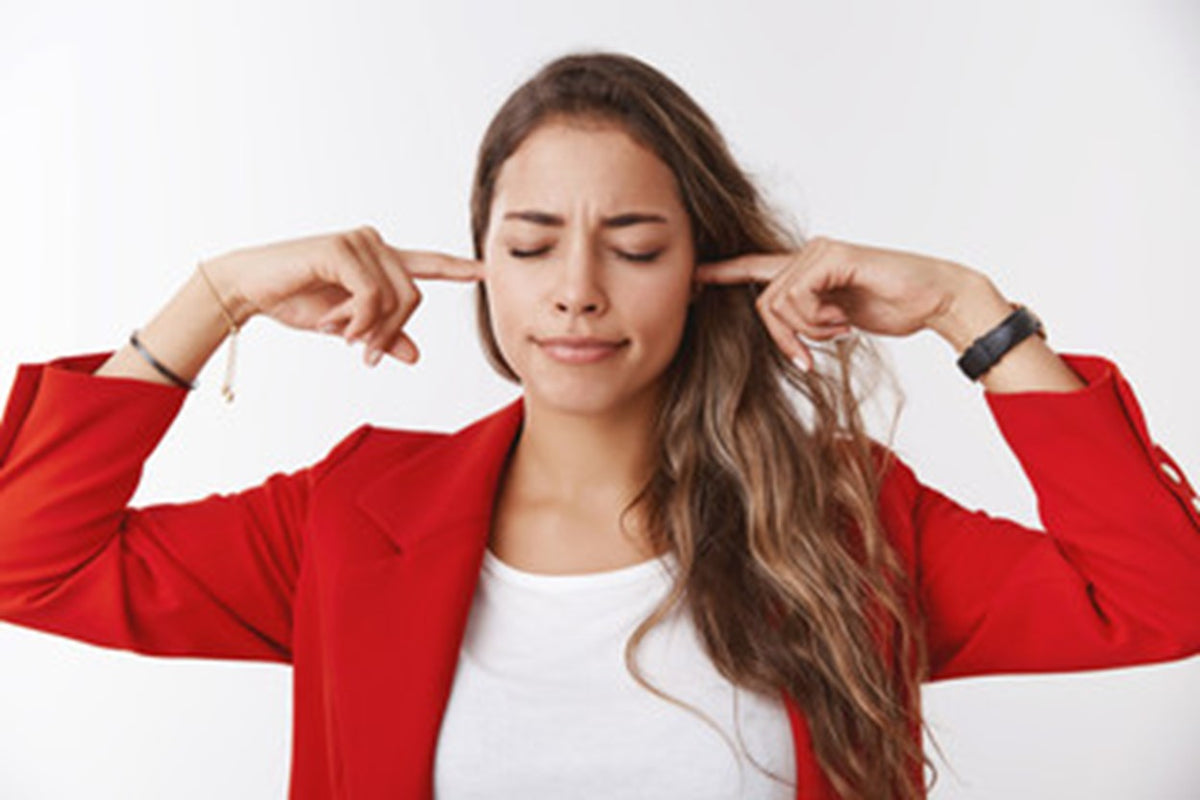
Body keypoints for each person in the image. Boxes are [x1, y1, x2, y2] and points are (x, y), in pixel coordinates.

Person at [0, 50, 1196, 800]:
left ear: (705, 269)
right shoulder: (353, 515)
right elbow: (28, 559)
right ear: (483, 266)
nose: (576, 287)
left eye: (634, 246)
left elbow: (1162, 600)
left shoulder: (841, 517)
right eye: (530, 245)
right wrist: (216, 298)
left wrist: (966, 311)